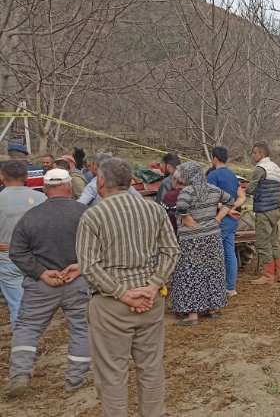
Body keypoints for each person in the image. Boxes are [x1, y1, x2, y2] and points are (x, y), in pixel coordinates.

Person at [76, 157, 181, 417]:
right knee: (151, 367)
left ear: (100, 182)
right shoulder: (153, 210)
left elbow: (88, 267)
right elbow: (172, 251)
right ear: (131, 181)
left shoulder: (92, 215)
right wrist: (154, 286)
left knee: (112, 373)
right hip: (150, 302)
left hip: (111, 305)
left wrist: (123, 293)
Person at [3, 169, 90, 397]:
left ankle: (20, 375)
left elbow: (17, 252)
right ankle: (75, 379)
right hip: (78, 282)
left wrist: (41, 273)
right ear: (70, 187)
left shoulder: (31, 216)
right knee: (82, 328)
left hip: (41, 286)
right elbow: (100, 248)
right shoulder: (85, 213)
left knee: (28, 328)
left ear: (43, 188)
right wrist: (81, 267)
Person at [170, 162, 234, 326]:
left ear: (189, 176)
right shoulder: (213, 189)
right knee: (211, 271)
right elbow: (229, 200)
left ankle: (192, 315)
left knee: (192, 274)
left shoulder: (188, 191)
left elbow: (182, 205)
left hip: (192, 241)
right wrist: (218, 217)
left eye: (183, 174)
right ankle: (211, 310)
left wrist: (185, 216)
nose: (181, 177)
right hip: (212, 237)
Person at [0, 161, 48, 329]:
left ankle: (23, 344)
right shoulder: (42, 198)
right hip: (38, 260)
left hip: (9, 260)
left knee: (18, 306)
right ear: (27, 177)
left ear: (1, 177)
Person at [207, 147, 247, 295]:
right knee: (229, 252)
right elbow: (241, 196)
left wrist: (226, 209)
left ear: (214, 158)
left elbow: (210, 198)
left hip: (219, 219)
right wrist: (233, 207)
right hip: (232, 219)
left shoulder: (213, 175)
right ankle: (230, 287)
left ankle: (214, 287)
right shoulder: (232, 175)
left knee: (213, 252)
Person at [247, 142, 280, 285]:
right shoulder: (275, 167)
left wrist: (243, 191)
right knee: (273, 242)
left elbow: (250, 189)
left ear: (261, 154)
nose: (253, 155)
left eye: (254, 153)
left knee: (263, 243)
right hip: (275, 209)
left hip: (264, 210)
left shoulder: (260, 169)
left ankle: (268, 275)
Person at [77, 153, 141, 206]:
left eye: (91, 165)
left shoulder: (92, 185)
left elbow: (80, 205)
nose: (90, 168)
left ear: (95, 166)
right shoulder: (122, 183)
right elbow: (139, 198)